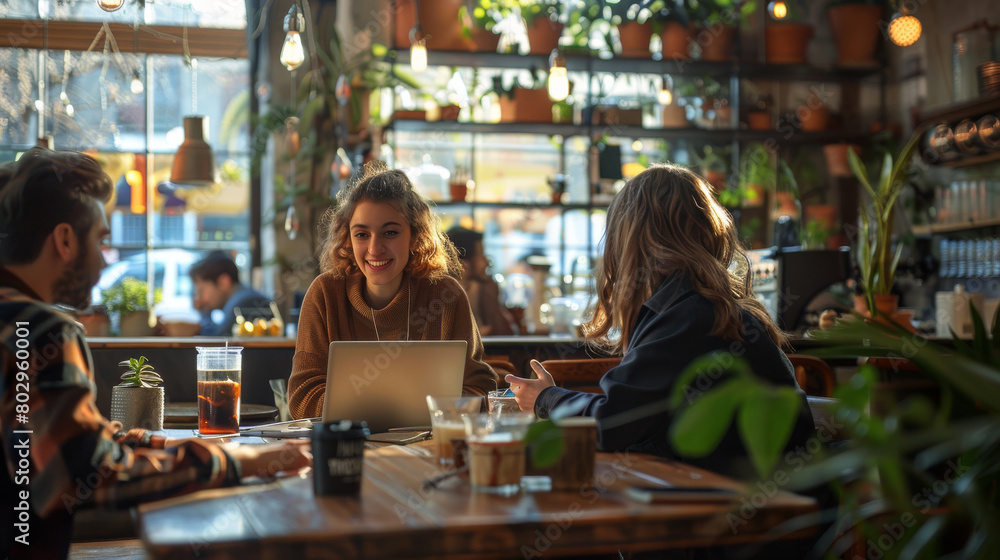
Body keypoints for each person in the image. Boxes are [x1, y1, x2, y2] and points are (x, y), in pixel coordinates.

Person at [0, 148, 311, 560]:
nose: (104, 259)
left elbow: (75, 443)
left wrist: (175, 446)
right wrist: (240, 465)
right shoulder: (40, 331)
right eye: (101, 239)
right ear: (64, 240)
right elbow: (88, 475)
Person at [506, 164, 817, 481]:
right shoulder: (701, 306)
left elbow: (612, 424)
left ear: (630, 239)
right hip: (768, 500)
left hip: (764, 514)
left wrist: (545, 398)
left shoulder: (689, 315)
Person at [288, 162, 498, 419]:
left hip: (427, 450)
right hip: (346, 445)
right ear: (347, 238)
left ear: (415, 236)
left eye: (390, 232)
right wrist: (404, 408)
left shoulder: (445, 296)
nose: (375, 249)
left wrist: (393, 408)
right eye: (362, 234)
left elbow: (482, 389)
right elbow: (302, 398)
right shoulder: (324, 294)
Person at [445, 226, 516, 336]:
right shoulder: (444, 299)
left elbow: (506, 336)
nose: (486, 261)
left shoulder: (481, 288)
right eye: (481, 254)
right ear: (463, 264)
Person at [189, 250, 272, 336]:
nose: (199, 298)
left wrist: (204, 314)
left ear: (224, 282)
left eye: (201, 290)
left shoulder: (244, 303)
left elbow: (219, 341)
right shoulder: (242, 299)